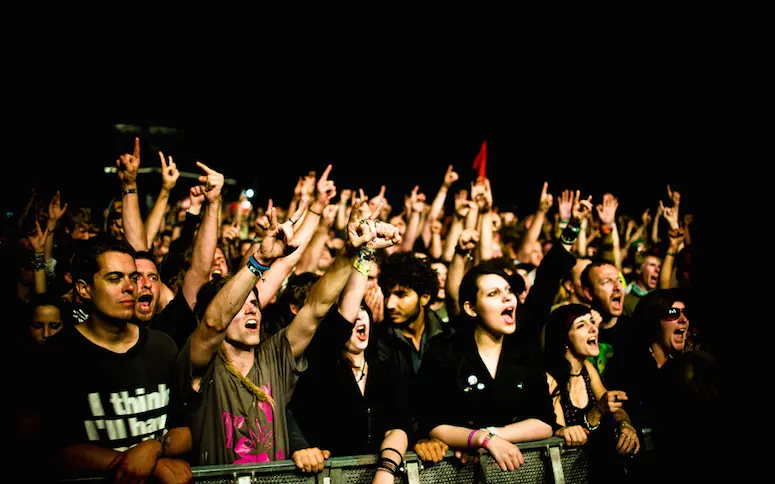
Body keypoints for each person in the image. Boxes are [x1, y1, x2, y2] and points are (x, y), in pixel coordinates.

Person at [177, 199, 382, 465]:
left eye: (255, 304)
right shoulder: (202, 365)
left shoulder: (274, 355)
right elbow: (214, 323)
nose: (253, 311)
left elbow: (316, 307)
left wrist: (350, 251)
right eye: (241, 305)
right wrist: (259, 261)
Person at [24, 238, 193, 482]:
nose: (129, 287)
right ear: (84, 289)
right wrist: (143, 464)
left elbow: (185, 432)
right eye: (114, 278)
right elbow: (54, 450)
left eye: (133, 277)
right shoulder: (59, 355)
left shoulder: (162, 347)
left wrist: (154, 448)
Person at [288, 219, 408, 483]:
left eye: (363, 311)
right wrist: (363, 254)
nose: (358, 317)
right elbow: (346, 312)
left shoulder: (385, 368)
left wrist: (386, 471)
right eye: (354, 313)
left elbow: (399, 427)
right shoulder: (321, 365)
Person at [416, 265, 555, 472]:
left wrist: (491, 436)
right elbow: (432, 424)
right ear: (471, 308)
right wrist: (478, 439)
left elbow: (544, 422)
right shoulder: (444, 351)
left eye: (509, 291)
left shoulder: (525, 351)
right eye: (493, 294)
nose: (507, 298)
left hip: (519, 471)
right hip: (456, 473)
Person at [544, 304, 640, 480]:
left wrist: (625, 425)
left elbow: (612, 405)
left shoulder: (587, 369)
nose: (592, 328)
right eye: (581, 325)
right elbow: (561, 436)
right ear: (564, 338)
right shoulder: (551, 379)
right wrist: (595, 413)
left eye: (592, 322)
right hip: (570, 474)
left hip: (598, 469)